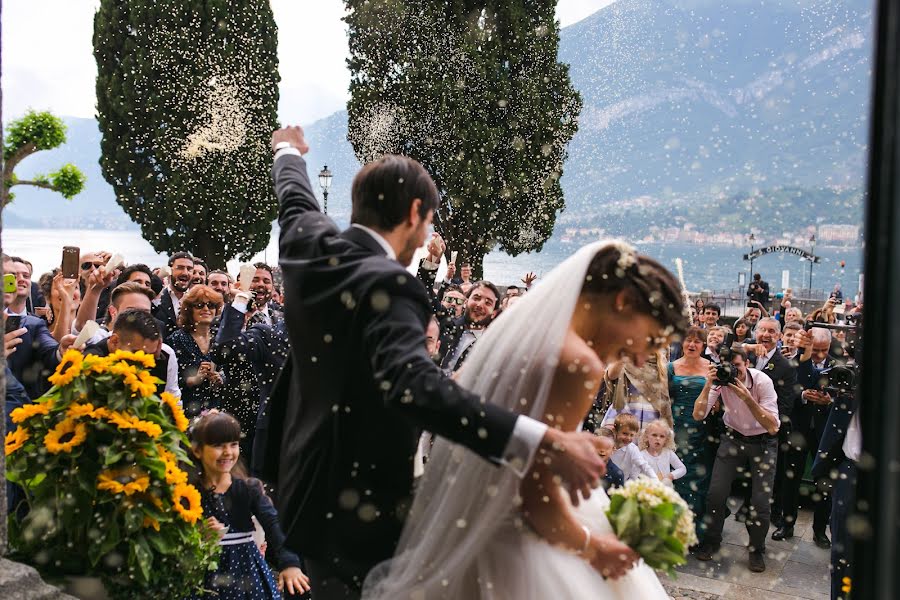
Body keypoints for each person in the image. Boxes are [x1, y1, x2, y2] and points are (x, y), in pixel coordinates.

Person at [265, 126, 609, 599]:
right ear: (413, 213)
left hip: (304, 487)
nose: (428, 234)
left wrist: (288, 152)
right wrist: (544, 440)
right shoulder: (392, 284)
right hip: (363, 507)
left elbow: (295, 199)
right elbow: (414, 386)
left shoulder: (307, 243)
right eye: (428, 221)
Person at [361, 240, 686, 599]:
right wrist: (594, 549)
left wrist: (562, 442)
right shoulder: (580, 363)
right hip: (521, 548)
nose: (641, 359)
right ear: (623, 303)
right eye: (651, 338)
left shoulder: (528, 333)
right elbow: (537, 500)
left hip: (472, 520)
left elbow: (475, 403)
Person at [187, 411, 311, 599]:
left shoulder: (248, 488)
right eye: (218, 446)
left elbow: (274, 525)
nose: (228, 452)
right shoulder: (189, 492)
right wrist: (198, 534)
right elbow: (177, 533)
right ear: (197, 450)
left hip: (245, 571)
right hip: (205, 573)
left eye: (233, 444)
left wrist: (289, 563)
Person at [692, 347, 780, 573]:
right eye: (728, 367)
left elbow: (772, 427)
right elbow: (698, 415)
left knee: (761, 502)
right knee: (716, 494)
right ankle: (712, 540)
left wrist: (747, 398)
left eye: (737, 367)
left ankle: (756, 549)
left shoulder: (762, 382)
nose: (733, 372)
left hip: (762, 442)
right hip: (732, 438)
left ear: (748, 364)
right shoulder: (720, 380)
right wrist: (708, 384)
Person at [668, 327, 717, 522]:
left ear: (703, 345)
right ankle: (674, 521)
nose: (692, 344)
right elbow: (665, 399)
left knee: (698, 474)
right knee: (677, 470)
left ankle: (694, 524)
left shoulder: (711, 367)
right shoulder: (671, 367)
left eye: (697, 341)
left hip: (703, 428)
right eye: (688, 340)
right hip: (676, 426)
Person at [167, 285, 226, 417]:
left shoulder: (221, 340)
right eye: (199, 305)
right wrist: (193, 380)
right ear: (189, 310)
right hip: (185, 410)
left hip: (216, 411)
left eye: (211, 305)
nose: (206, 309)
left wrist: (220, 378)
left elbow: (231, 373)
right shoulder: (176, 340)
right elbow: (168, 380)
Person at [598, 351, 673, 432]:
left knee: (648, 442)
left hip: (652, 411)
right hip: (625, 410)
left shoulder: (661, 350)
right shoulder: (626, 349)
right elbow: (611, 375)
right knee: (621, 442)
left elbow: (665, 384)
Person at [153, 252, 195, 338]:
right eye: (180, 268)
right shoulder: (156, 299)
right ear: (170, 270)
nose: (185, 273)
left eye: (189, 269)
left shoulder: (197, 301)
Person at [610, 413, 657, 482]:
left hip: (621, 484)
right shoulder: (607, 444)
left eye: (631, 435)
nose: (628, 438)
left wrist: (655, 480)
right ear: (615, 431)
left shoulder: (632, 449)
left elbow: (644, 465)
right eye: (625, 433)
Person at [639, 419, 686, 487]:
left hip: (666, 492)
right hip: (648, 492)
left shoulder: (668, 453)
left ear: (666, 439)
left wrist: (671, 476)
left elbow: (682, 468)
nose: (658, 438)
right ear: (647, 437)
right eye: (654, 435)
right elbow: (634, 475)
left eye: (662, 436)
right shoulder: (641, 455)